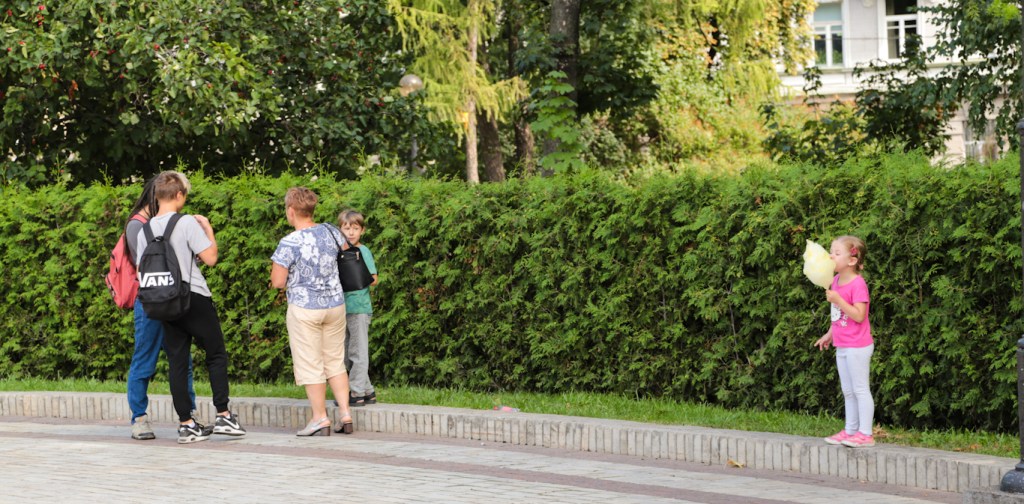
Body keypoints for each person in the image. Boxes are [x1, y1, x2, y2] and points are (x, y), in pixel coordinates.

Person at [135, 171, 246, 444]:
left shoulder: (144, 230)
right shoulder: (186, 223)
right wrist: (207, 229)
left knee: (177, 363)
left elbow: (140, 269)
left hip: (165, 303)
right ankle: (223, 415)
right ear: (179, 195)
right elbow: (210, 258)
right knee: (216, 354)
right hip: (193, 296)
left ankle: (186, 425)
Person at [270, 187, 354, 436]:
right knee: (335, 361)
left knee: (311, 364)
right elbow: (347, 256)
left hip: (305, 309)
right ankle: (346, 415)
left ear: (291, 211)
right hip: (335, 305)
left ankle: (320, 418)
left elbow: (277, 281)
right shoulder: (331, 231)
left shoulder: (290, 242)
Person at [124, 173, 197, 440]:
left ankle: (188, 415)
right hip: (152, 301)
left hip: (173, 297)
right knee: (144, 359)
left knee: (182, 360)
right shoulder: (137, 225)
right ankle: (139, 418)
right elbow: (148, 265)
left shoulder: (163, 223)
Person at [815, 235, 875, 448]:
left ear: (851, 260)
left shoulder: (858, 284)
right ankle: (850, 431)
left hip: (858, 346)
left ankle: (866, 434)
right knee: (848, 390)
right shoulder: (835, 281)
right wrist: (829, 334)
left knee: (860, 389)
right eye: (831, 252)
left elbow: (859, 315)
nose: (830, 256)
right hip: (842, 344)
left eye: (836, 253)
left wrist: (838, 299)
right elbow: (837, 315)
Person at [338, 209, 378, 407]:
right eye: (346, 228)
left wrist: (354, 277)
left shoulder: (363, 251)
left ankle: (356, 393)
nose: (351, 232)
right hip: (342, 309)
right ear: (340, 230)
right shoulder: (340, 252)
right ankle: (368, 391)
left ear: (362, 230)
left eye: (355, 228)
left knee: (358, 352)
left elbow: (374, 279)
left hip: (359, 308)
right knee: (346, 352)